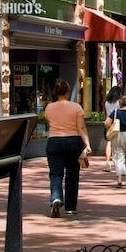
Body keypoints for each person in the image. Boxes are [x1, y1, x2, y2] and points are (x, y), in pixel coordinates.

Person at [44, 79, 91, 217]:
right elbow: (81, 127)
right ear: (68, 92)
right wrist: (87, 144)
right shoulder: (76, 107)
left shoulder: (49, 108)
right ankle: (71, 207)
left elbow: (48, 120)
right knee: (72, 175)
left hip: (54, 141)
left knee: (55, 174)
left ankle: (56, 197)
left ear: (55, 92)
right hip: (73, 142)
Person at [105, 95, 126, 188]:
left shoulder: (116, 112)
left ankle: (119, 180)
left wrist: (112, 126)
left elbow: (106, 123)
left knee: (117, 157)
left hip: (117, 135)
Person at [103, 86, 121, 173]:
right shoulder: (119, 102)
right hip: (117, 123)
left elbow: (105, 114)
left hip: (109, 123)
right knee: (118, 143)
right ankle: (117, 161)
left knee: (109, 143)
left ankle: (107, 162)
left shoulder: (106, 102)